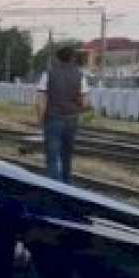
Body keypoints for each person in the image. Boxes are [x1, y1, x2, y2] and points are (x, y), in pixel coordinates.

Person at [34, 45, 88, 182]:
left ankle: (55, 188)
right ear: (72, 58)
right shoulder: (80, 76)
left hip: (53, 118)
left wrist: (40, 119)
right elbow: (84, 102)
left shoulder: (48, 74)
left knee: (52, 156)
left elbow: (41, 99)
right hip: (72, 119)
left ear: (57, 59)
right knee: (67, 156)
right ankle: (67, 184)